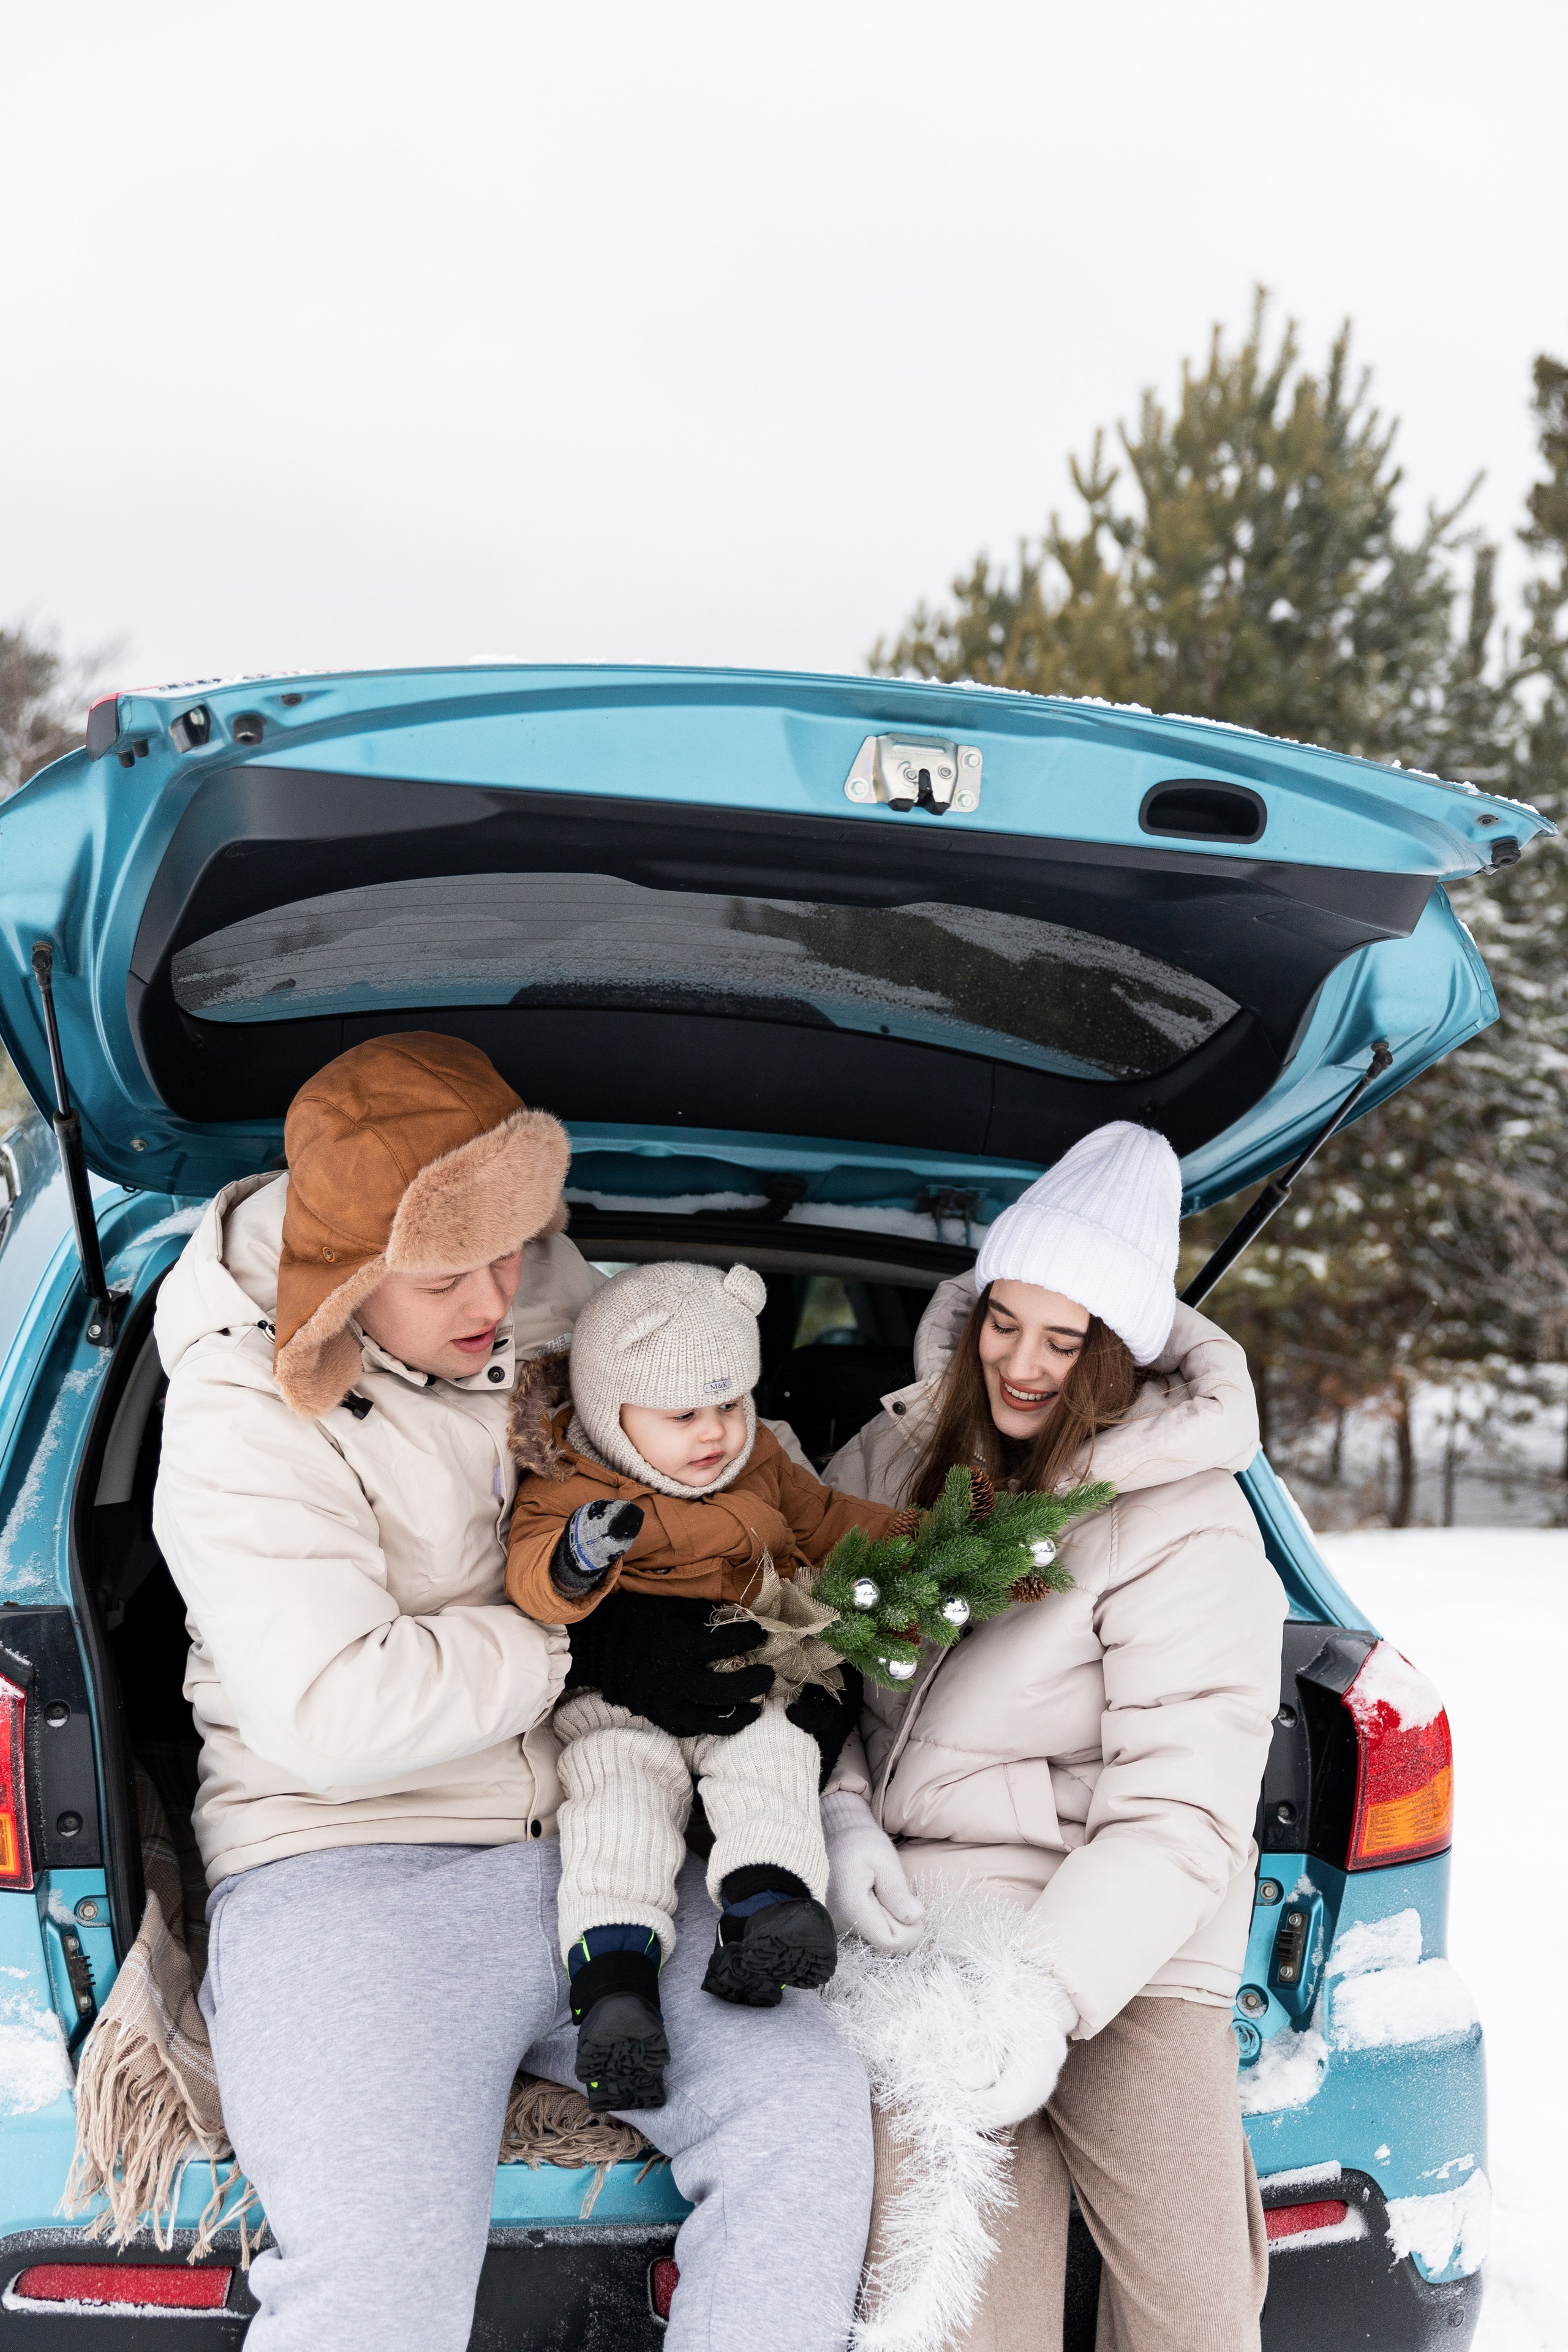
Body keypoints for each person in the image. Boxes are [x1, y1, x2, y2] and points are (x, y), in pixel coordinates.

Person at [148, 1032, 873, 2352]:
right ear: (345, 1267)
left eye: (515, 1245)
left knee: (805, 2121)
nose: (497, 1293)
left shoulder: (538, 1289)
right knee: (377, 2277)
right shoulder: (237, 1411)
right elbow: (332, 1706)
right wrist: (571, 1650)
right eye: (446, 1272)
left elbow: (685, 1484)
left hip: (617, 1852)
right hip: (352, 1867)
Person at [818, 1121, 1285, 2352]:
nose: (1023, 1363)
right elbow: (815, 1686)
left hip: (1126, 1933)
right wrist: (842, 1808)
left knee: (1192, 2310)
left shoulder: (1187, 1520)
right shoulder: (891, 1461)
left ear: (1114, 1354)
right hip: (929, 1918)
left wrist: (1045, 1995)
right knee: (957, 2305)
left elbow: (1178, 1809)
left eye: (1062, 1338)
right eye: (1002, 1322)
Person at [505, 1259, 898, 2109]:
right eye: (682, 1414)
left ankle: (768, 1913)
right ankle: (614, 1987)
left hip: (744, 1677)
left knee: (775, 1761)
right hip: (620, 1698)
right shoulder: (571, 1481)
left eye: (728, 1403)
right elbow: (528, 1572)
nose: (715, 1431)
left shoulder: (757, 1458)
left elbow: (830, 1521)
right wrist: (578, 1557)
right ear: (613, 1414)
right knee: (615, 1802)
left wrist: (926, 1543)